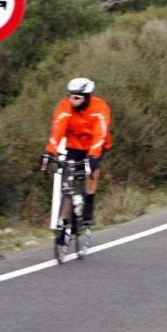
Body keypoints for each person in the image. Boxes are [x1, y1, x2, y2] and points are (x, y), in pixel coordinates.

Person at [39, 77, 112, 227]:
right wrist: (49, 152)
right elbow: (57, 130)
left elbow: (100, 133)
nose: (72, 100)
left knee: (92, 171)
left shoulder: (99, 107)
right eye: (70, 96)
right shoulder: (65, 107)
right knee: (67, 179)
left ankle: (89, 204)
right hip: (74, 145)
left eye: (77, 97)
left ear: (87, 97)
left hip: (96, 145)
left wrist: (93, 155)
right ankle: (65, 221)